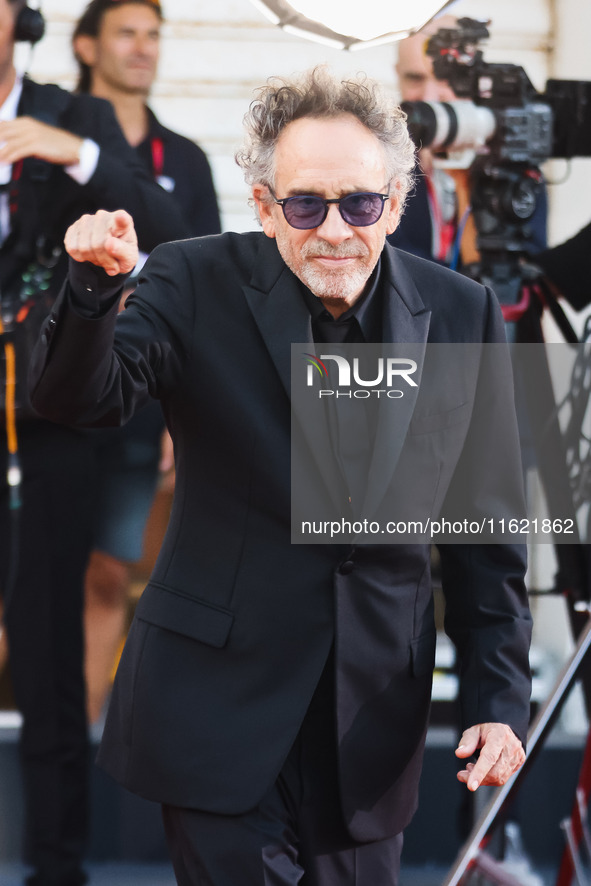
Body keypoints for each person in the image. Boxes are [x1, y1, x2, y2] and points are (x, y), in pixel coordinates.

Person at [29, 68, 532, 886]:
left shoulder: (462, 313)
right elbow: (80, 400)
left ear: (395, 204)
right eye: (305, 205)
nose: (334, 229)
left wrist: (498, 702)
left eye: (359, 204)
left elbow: (487, 536)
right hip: (212, 705)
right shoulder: (192, 280)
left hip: (370, 727)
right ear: (264, 207)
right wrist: (92, 289)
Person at [0, 1, 198, 883]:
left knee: (46, 644)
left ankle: (56, 864)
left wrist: (71, 154)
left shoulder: (67, 114)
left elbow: (165, 228)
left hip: (39, 417)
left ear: (22, 21)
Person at [71, 0, 221, 725]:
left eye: (153, 35)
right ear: (85, 46)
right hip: (42, 395)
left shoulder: (183, 158)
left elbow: (205, 288)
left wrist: (179, 407)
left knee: (109, 572)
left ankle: (94, 742)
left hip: (139, 401)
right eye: (126, 32)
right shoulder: (45, 139)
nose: (142, 48)